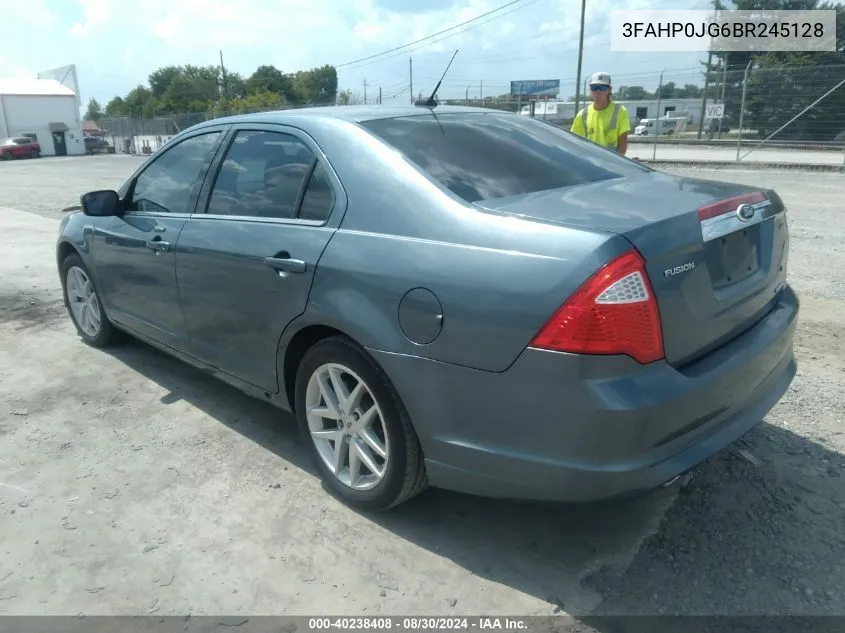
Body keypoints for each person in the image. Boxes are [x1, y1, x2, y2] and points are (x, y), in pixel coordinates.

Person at [570, 72, 630, 155]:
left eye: (602, 88)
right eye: (594, 88)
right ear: (590, 90)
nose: (597, 91)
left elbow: (623, 143)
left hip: (611, 163)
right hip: (590, 162)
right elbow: (575, 143)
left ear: (609, 89)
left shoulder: (620, 111)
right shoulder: (582, 114)